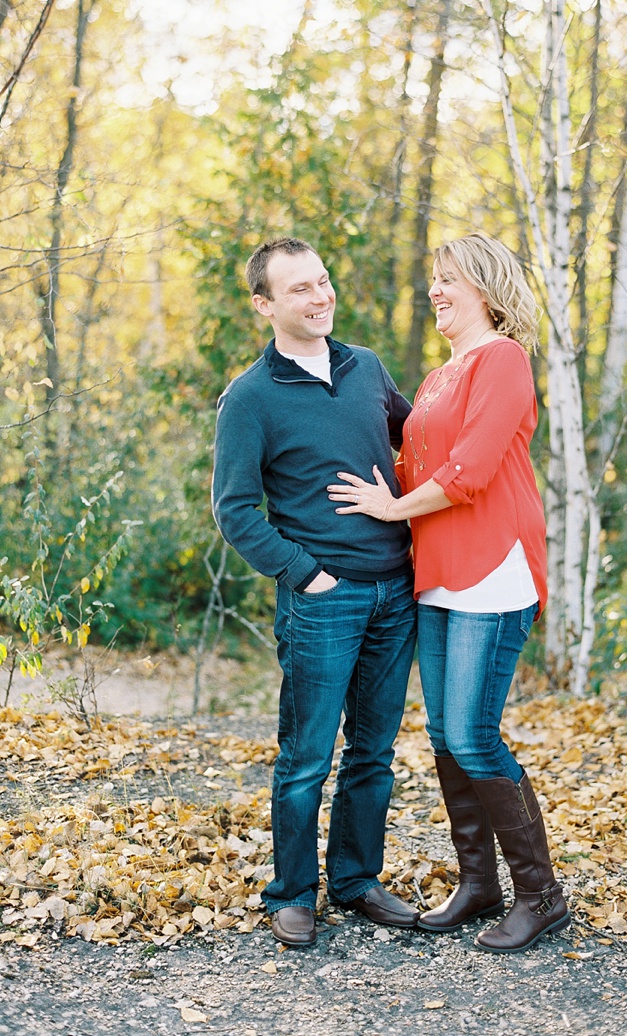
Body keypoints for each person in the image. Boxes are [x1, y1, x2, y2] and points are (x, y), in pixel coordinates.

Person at [328, 232, 570, 953]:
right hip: (434, 572)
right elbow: (409, 460)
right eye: (432, 279)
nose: (434, 289)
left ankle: (540, 894)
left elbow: (467, 471)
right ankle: (478, 884)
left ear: (486, 290)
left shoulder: (503, 362)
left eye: (448, 279)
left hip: (492, 567)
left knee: (471, 733)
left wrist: (389, 510)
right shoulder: (438, 375)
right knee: (442, 736)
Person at [212, 237, 419, 948]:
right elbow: (235, 511)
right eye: (299, 288)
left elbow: (418, 436)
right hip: (321, 602)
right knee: (305, 756)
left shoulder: (366, 368)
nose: (320, 296)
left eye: (323, 281)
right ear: (264, 304)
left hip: (396, 591)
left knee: (373, 752)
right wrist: (309, 574)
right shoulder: (249, 398)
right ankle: (293, 893)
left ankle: (357, 882)